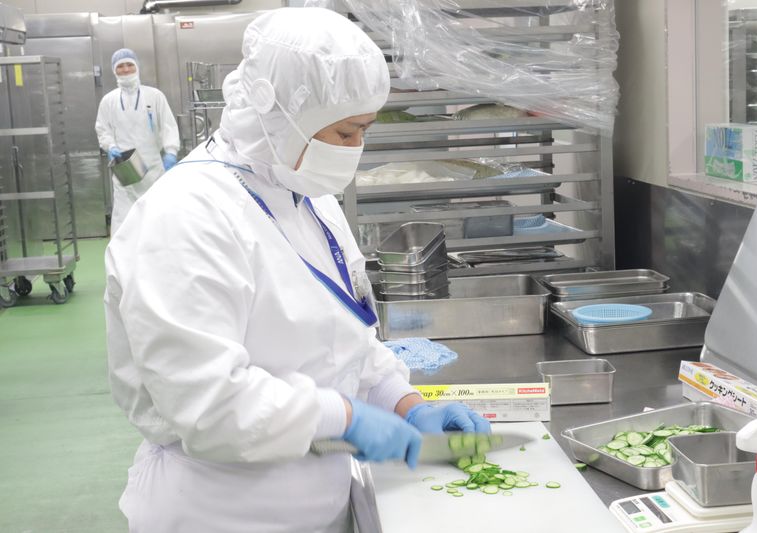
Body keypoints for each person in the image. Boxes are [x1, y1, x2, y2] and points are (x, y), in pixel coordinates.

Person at [104, 8, 490, 533]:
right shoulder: (185, 217)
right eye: (346, 132)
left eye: (364, 131)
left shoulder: (303, 190)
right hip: (218, 513)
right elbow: (206, 403)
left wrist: (400, 400)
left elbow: (344, 332)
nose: (356, 149)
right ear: (283, 115)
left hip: (319, 503)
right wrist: (345, 417)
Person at [95, 48, 180, 234]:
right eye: (120, 66)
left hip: (154, 170)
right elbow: (103, 129)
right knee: (124, 220)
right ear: (114, 70)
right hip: (126, 172)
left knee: (157, 216)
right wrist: (110, 146)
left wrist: (171, 152)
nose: (126, 70)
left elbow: (168, 126)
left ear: (137, 67)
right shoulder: (109, 100)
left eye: (129, 65)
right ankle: (124, 253)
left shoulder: (154, 96)